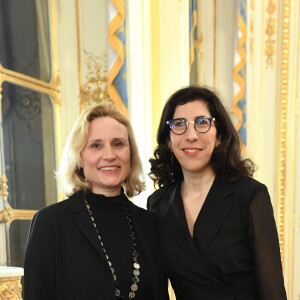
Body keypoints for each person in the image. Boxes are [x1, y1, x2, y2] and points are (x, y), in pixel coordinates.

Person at [147, 86, 287, 300]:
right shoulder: (157, 204)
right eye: (179, 125)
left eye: (202, 123)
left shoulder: (250, 196)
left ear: (219, 135)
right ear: (168, 140)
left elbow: (273, 292)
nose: (191, 135)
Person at [24, 102, 169, 300]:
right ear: (80, 158)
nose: (109, 155)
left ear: (130, 154)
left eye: (118, 144)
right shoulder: (50, 223)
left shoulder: (150, 224)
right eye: (96, 146)